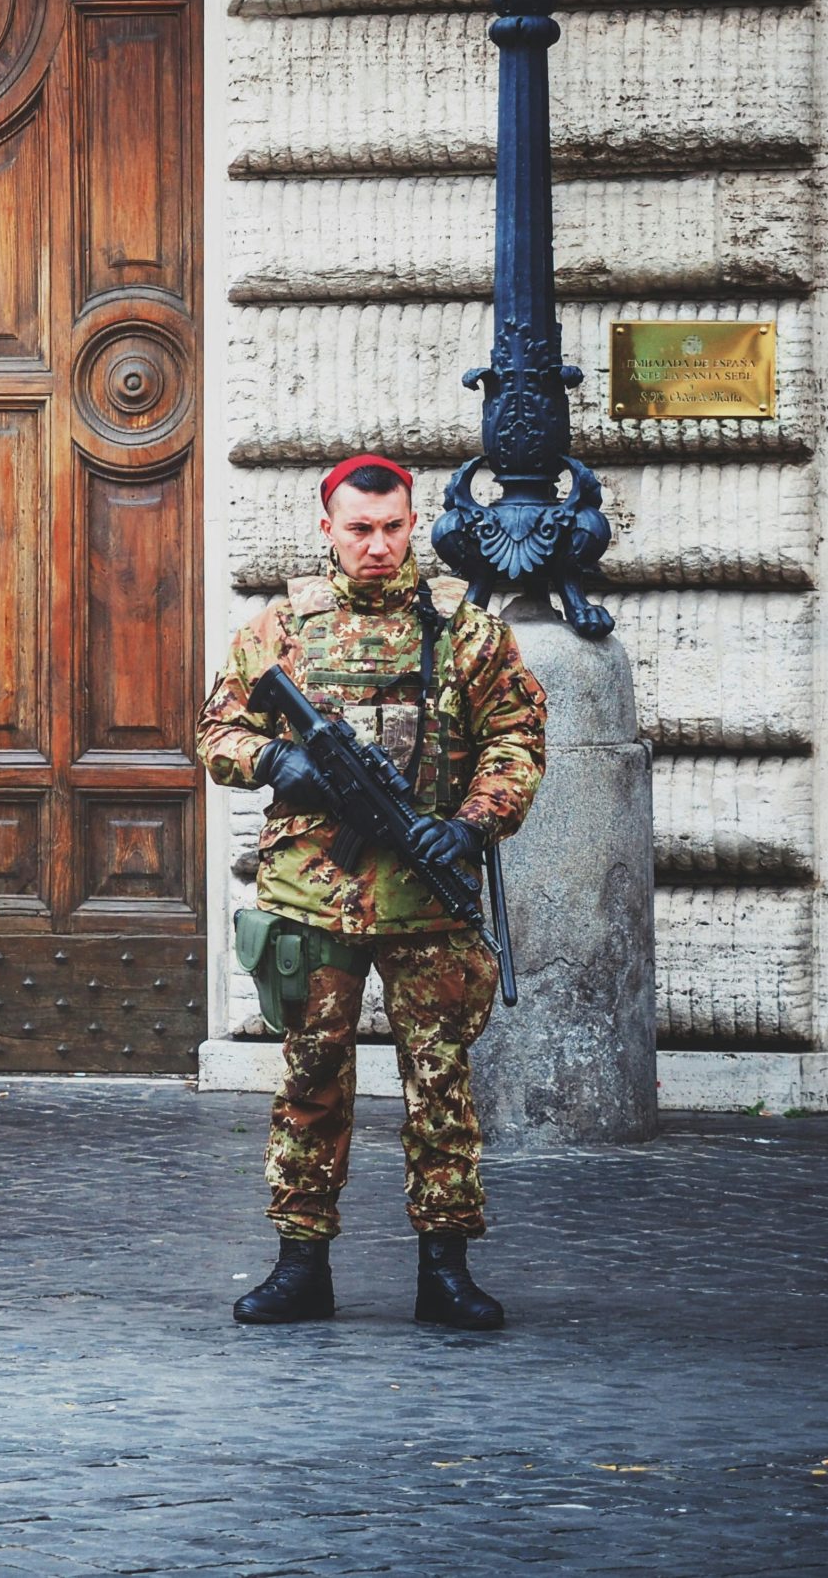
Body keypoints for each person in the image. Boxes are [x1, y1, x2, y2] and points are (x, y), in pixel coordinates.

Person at [193, 454, 546, 1330]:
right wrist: (277, 760)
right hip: (314, 898)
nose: (378, 545)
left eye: (392, 527)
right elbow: (217, 731)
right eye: (359, 529)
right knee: (311, 1078)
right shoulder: (282, 628)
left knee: (440, 1084)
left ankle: (445, 1270)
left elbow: (516, 738)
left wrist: (470, 823)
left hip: (427, 897)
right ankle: (300, 1264)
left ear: (413, 524)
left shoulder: (467, 632)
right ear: (328, 530)